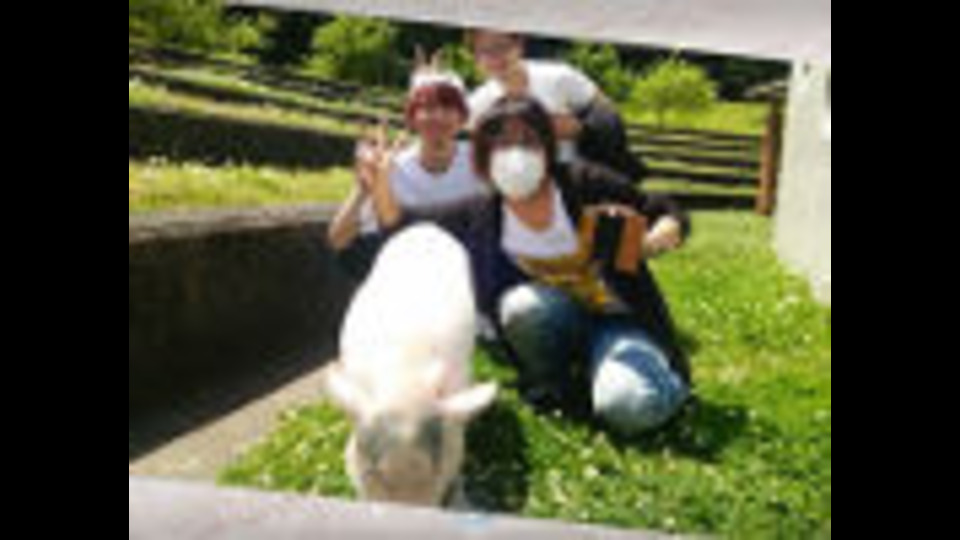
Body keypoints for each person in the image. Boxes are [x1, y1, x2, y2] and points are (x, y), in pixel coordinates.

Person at [362, 96, 692, 435]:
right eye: (502, 143)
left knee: (629, 407)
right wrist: (382, 181)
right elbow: (402, 225)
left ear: (547, 147)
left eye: (527, 141)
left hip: (617, 322)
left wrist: (662, 232)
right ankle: (554, 383)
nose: (515, 154)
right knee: (521, 306)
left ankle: (661, 380)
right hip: (556, 320)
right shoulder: (480, 213)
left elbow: (661, 207)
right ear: (484, 153)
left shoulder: (582, 183)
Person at [328, 54, 491, 279]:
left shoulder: (482, 161)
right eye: (427, 108)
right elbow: (338, 240)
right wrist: (363, 188)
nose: (437, 116)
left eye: (448, 107)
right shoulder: (392, 168)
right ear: (412, 119)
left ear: (463, 118)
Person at [467, 29, 646, 181]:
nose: (496, 58)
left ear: (519, 45)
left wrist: (581, 129)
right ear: (476, 58)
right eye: (485, 51)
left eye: (502, 47)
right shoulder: (477, 104)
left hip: (579, 179)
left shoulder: (558, 76)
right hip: (517, 184)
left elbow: (608, 112)